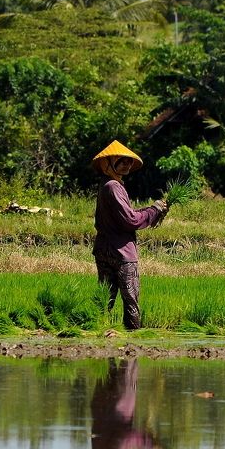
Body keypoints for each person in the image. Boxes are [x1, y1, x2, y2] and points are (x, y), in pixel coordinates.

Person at [92, 140, 167, 330]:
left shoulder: (105, 185)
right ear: (108, 162)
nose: (126, 164)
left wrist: (153, 210)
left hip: (104, 249)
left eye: (128, 161)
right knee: (131, 301)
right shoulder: (114, 187)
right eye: (121, 160)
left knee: (104, 301)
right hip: (121, 254)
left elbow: (126, 215)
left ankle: (96, 330)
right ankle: (133, 340)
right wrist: (153, 211)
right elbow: (131, 221)